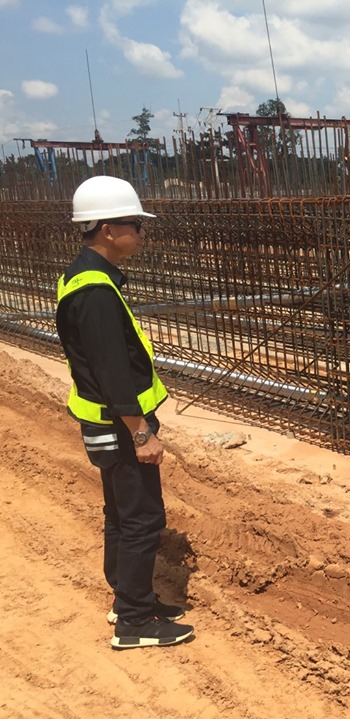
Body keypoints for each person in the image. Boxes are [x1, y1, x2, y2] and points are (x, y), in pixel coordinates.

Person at [56, 176, 194, 649]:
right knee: (142, 519)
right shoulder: (95, 291)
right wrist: (141, 434)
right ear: (108, 230)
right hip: (119, 425)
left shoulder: (83, 275)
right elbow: (112, 371)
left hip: (104, 420)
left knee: (120, 514)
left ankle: (127, 598)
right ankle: (134, 622)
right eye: (135, 223)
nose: (141, 231)